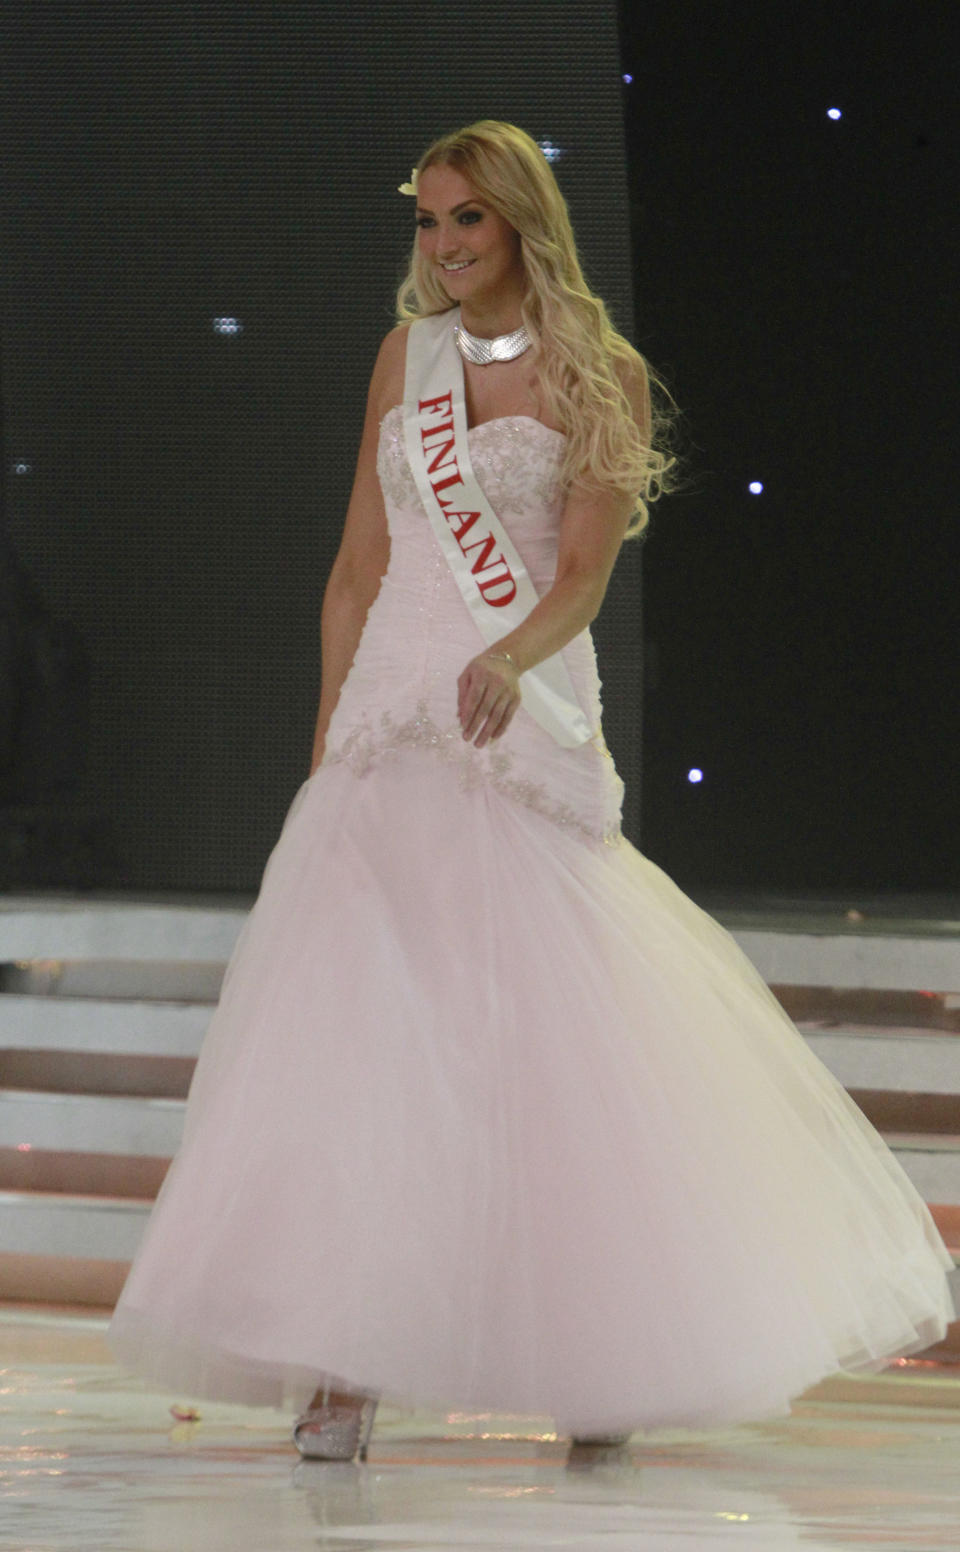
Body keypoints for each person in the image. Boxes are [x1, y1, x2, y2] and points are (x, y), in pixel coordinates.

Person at [107, 120, 956, 1463]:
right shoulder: (405, 359)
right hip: (391, 715)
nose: (443, 252)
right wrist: (329, 730)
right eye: (428, 223)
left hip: (521, 703)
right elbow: (351, 568)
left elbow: (581, 576)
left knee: (544, 1051)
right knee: (351, 1050)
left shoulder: (595, 369)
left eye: (469, 225)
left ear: (521, 227)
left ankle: (597, 1356)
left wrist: (507, 654)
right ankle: (340, 1366)